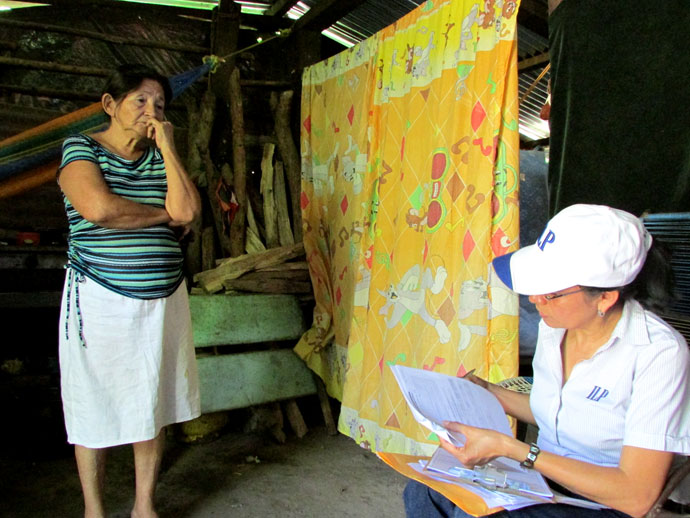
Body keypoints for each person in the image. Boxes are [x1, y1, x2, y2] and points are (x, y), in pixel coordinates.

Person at [404, 204, 690, 518]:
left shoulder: (658, 354)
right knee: (426, 491)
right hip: (542, 476)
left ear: (606, 297)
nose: (534, 300)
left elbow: (636, 496)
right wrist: (485, 391)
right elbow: (557, 411)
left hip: (603, 501)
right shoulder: (556, 328)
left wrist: (511, 449)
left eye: (551, 293)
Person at [57, 64, 201, 518]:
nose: (150, 110)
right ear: (109, 105)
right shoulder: (80, 148)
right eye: (140, 100)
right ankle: (94, 511)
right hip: (100, 299)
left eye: (159, 104)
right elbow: (100, 209)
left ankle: (144, 506)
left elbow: (189, 210)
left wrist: (170, 147)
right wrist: (163, 215)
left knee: (150, 400)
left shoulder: (161, 157)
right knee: (93, 401)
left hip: (163, 302)